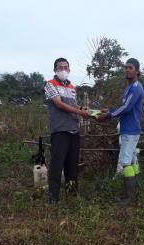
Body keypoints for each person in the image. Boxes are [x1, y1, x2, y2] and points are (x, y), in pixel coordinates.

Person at [98, 58, 144, 207]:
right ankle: (134, 192)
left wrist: (109, 115)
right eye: (125, 67)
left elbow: (127, 108)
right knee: (130, 161)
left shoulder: (136, 87)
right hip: (128, 129)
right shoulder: (129, 87)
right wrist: (110, 110)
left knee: (125, 162)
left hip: (130, 130)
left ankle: (129, 197)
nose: (127, 70)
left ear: (137, 71)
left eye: (130, 68)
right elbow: (123, 106)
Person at [43, 57, 89, 203]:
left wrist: (83, 109)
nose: (63, 69)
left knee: (72, 164)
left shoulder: (72, 87)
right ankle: (53, 197)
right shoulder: (50, 84)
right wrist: (79, 112)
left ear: (69, 70)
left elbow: (73, 106)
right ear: (55, 69)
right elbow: (59, 104)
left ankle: (72, 193)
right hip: (60, 130)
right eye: (60, 67)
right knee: (57, 164)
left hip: (73, 129)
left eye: (65, 67)